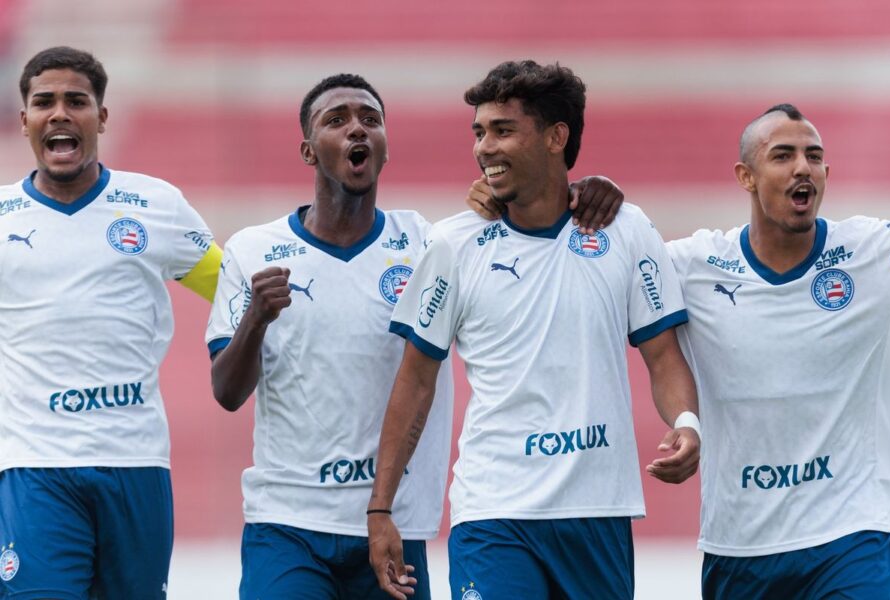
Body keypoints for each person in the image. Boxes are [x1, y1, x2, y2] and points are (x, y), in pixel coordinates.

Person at [470, 101, 890, 598]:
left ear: (827, 177)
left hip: (851, 535)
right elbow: (586, 261)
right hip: (738, 548)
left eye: (814, 157)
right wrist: (549, 192)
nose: (803, 168)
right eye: (783, 155)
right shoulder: (693, 265)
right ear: (745, 176)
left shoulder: (874, 255)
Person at [204, 72, 625, 598]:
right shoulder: (252, 250)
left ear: (384, 149)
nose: (357, 129)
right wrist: (255, 320)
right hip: (288, 522)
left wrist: (588, 189)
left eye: (370, 120)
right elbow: (226, 392)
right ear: (309, 151)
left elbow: (530, 206)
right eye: (336, 121)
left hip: (397, 525)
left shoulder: (430, 244)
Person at [368, 60, 700, 600]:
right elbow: (414, 382)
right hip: (494, 512)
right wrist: (380, 508)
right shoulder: (453, 244)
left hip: (597, 510)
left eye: (503, 130)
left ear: (556, 137)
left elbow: (663, 357)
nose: (483, 147)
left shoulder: (625, 229)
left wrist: (688, 423)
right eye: (479, 132)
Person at [0, 47, 221, 599]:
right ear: (23, 119)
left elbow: (233, 292)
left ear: (101, 117)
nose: (59, 113)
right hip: (34, 468)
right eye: (43, 102)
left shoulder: (155, 206)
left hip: (134, 463)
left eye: (77, 101)